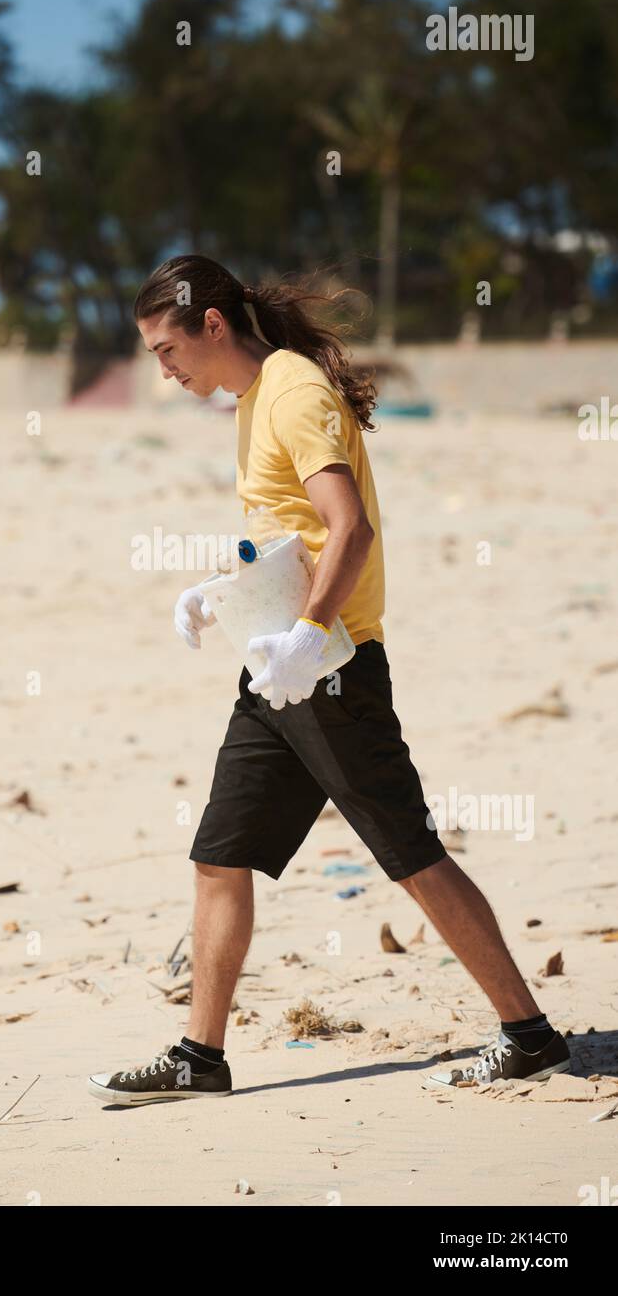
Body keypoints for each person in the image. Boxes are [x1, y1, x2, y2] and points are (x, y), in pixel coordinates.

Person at [88, 254, 570, 1105]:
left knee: (412, 855)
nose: (162, 369)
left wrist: (311, 639)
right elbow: (292, 536)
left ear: (211, 325)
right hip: (276, 674)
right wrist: (224, 594)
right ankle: (200, 1057)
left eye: (167, 349)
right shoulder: (252, 399)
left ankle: (529, 1036)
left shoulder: (292, 393)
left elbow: (350, 531)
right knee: (219, 855)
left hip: (328, 669)